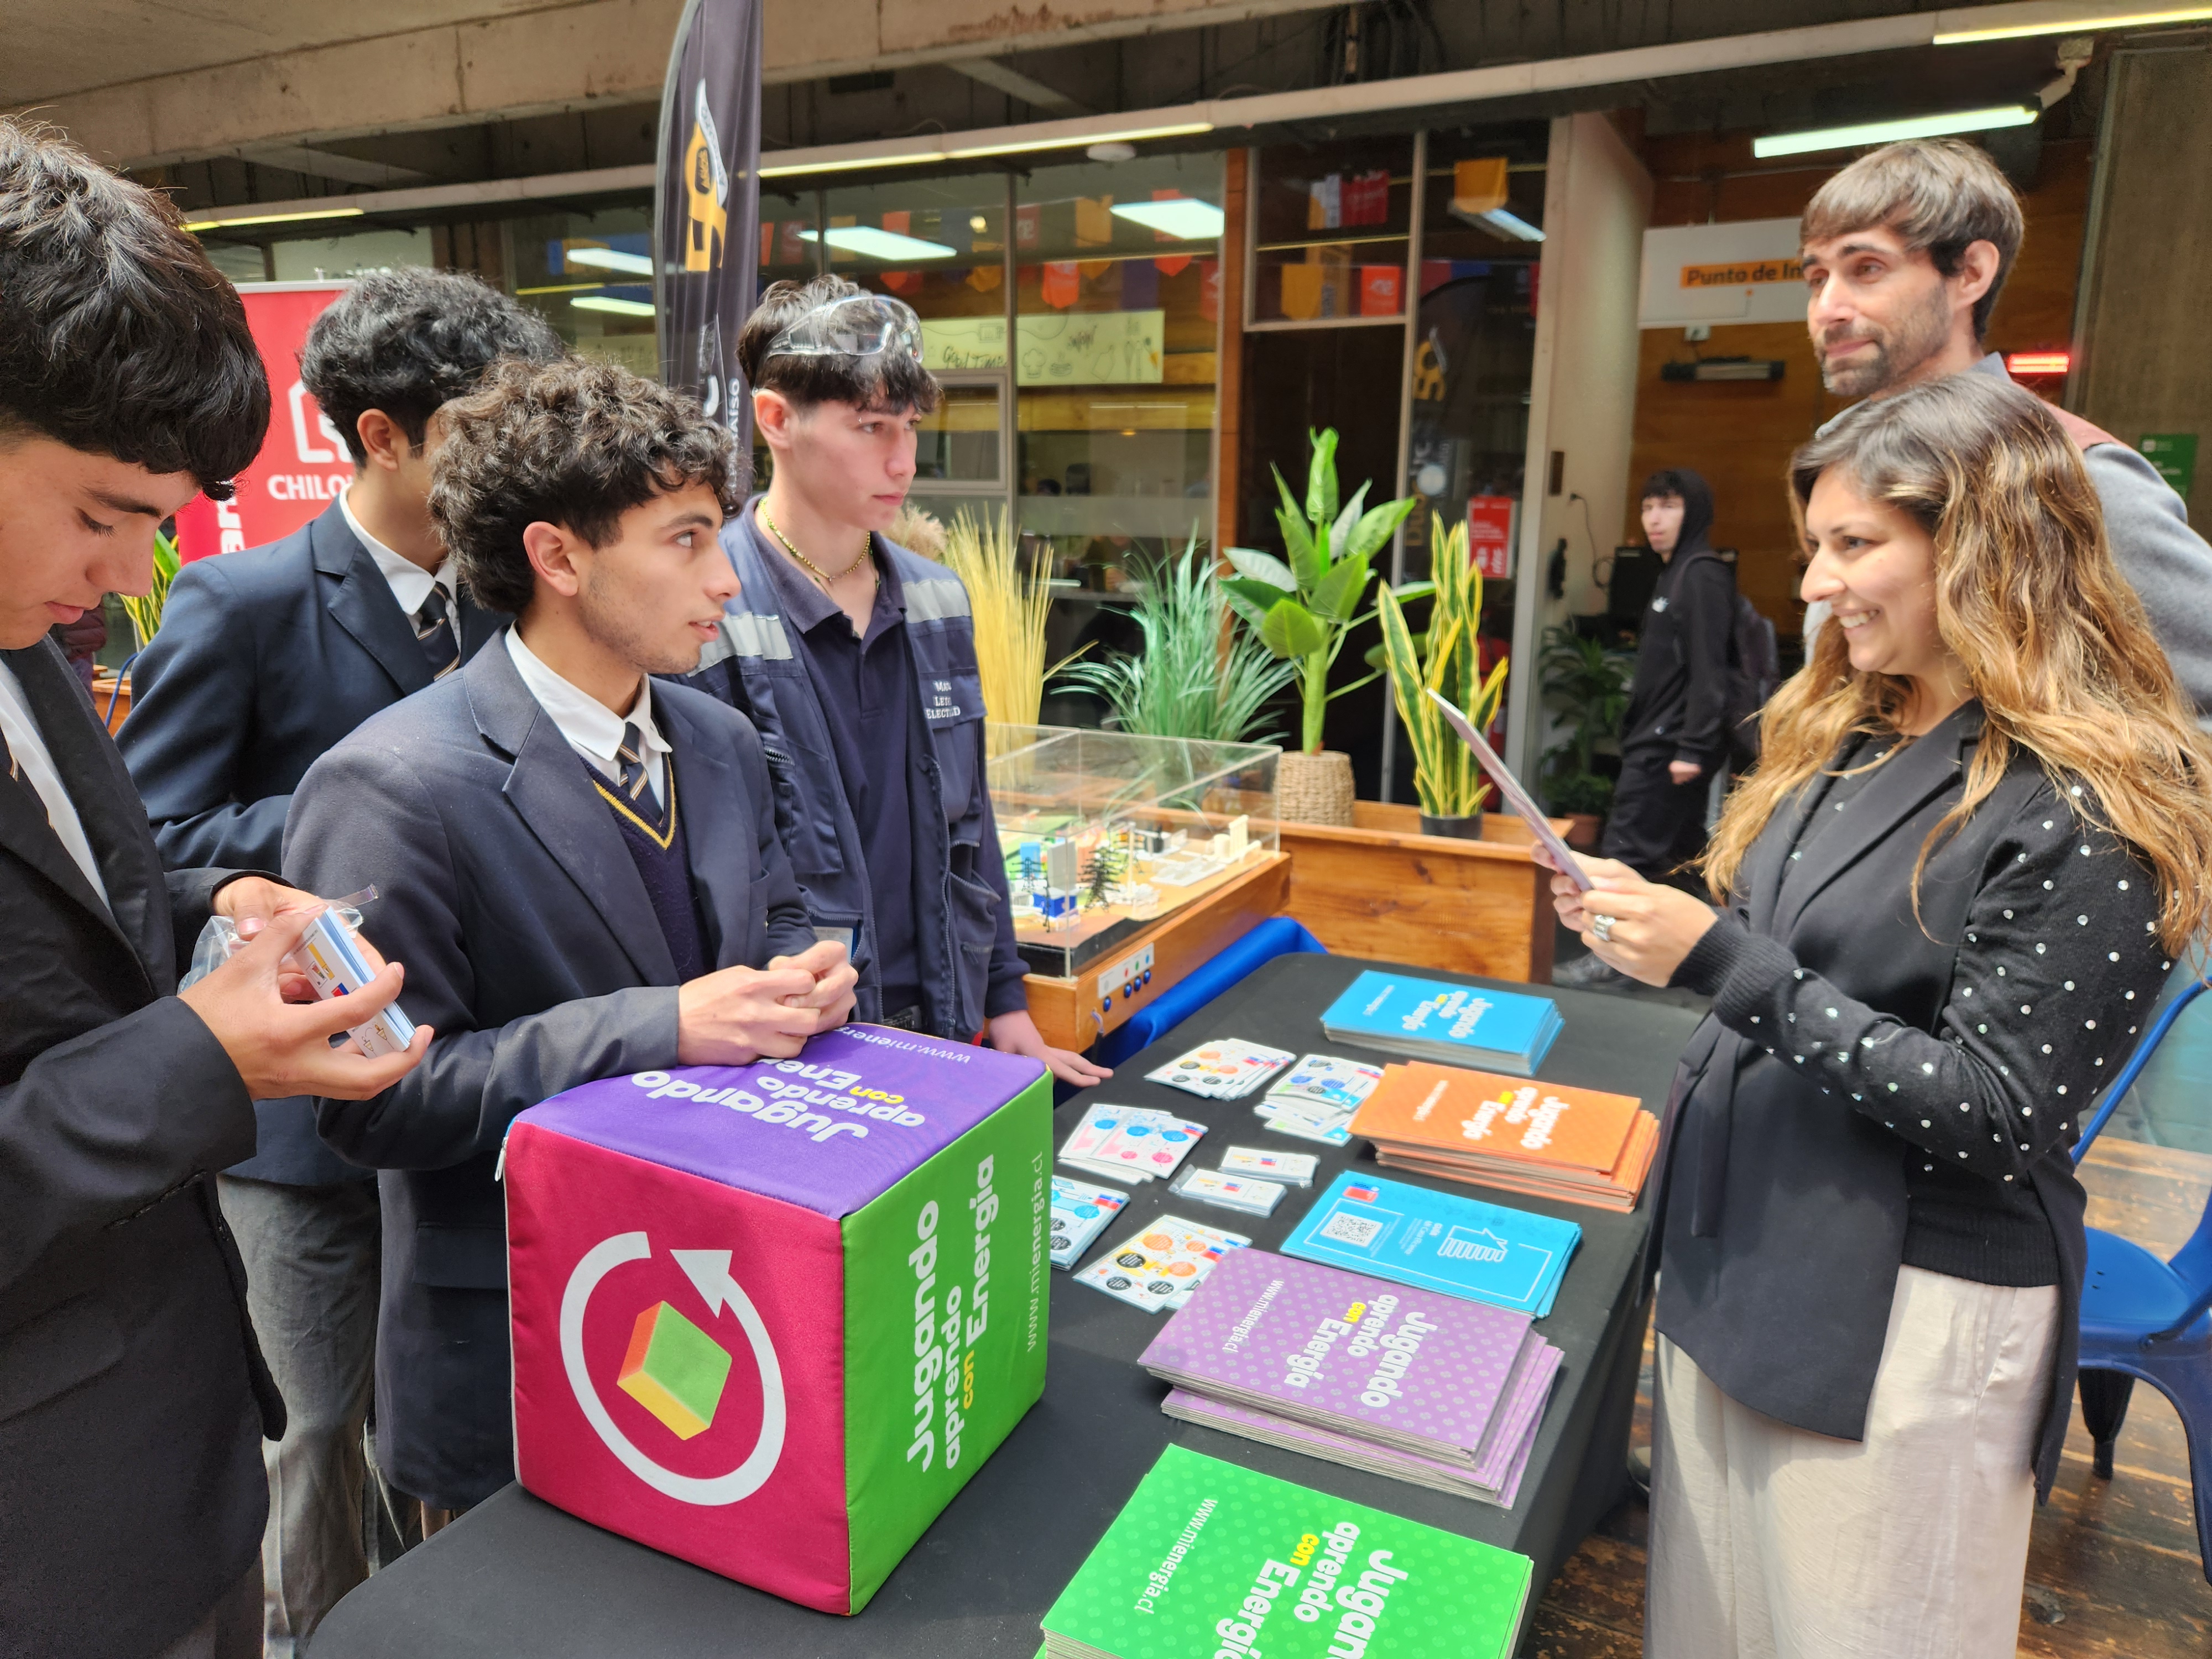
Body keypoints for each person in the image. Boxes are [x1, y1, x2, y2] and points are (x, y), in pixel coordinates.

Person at [1537, 373, 2212, 1657]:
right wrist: (1653, 923)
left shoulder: (2082, 805)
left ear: (1986, 547)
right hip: (1743, 1260)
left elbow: (1999, 1112)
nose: (1813, 587)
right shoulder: (1851, 729)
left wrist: (1724, 962)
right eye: (1813, 550)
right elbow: (1779, 949)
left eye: (1854, 545)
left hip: (1906, 1317)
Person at [284, 356, 856, 1530]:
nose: (725, 582)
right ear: (558, 557)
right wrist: (665, 1026)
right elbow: (374, 1100)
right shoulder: (391, 784)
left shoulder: (714, 737)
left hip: (729, 1299)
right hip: (515, 1342)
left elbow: (778, 911)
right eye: (687, 541)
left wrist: (806, 971)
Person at [0, 118, 427, 1659]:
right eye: (103, 510)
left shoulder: (31, 645)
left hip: (167, 1462)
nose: (127, 572)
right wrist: (201, 1054)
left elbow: (84, 916)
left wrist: (212, 918)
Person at [116, 266, 565, 1655]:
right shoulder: (242, 600)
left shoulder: (507, 592)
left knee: (451, 1410)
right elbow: (151, 836)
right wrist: (366, 799)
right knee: (312, 1426)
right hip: (303, 1120)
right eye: (480, 426)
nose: (511, 457)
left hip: (464, 1086)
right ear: (383, 436)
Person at [680, 275, 1104, 1085]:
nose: (903, 460)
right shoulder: (710, 608)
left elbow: (970, 819)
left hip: (944, 1012)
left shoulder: (938, 597)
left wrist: (1006, 1001)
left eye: (908, 426)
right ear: (777, 420)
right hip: (800, 1039)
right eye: (870, 426)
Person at [1801, 136, 2212, 721]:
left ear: (1969, 272)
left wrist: (2057, 804)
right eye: (1816, 279)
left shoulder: (2073, 473)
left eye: (1866, 269)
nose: (1828, 307)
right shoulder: (1836, 462)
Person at [1553, 469, 1735, 992]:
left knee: (1626, 852)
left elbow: (1709, 668)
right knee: (1679, 858)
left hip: (1670, 747)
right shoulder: (1673, 572)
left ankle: (1609, 958)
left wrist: (1693, 747)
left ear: (1694, 512)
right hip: (1659, 740)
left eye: (1669, 507)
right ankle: (1704, 956)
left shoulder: (1701, 574)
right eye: (1649, 507)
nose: (1654, 519)